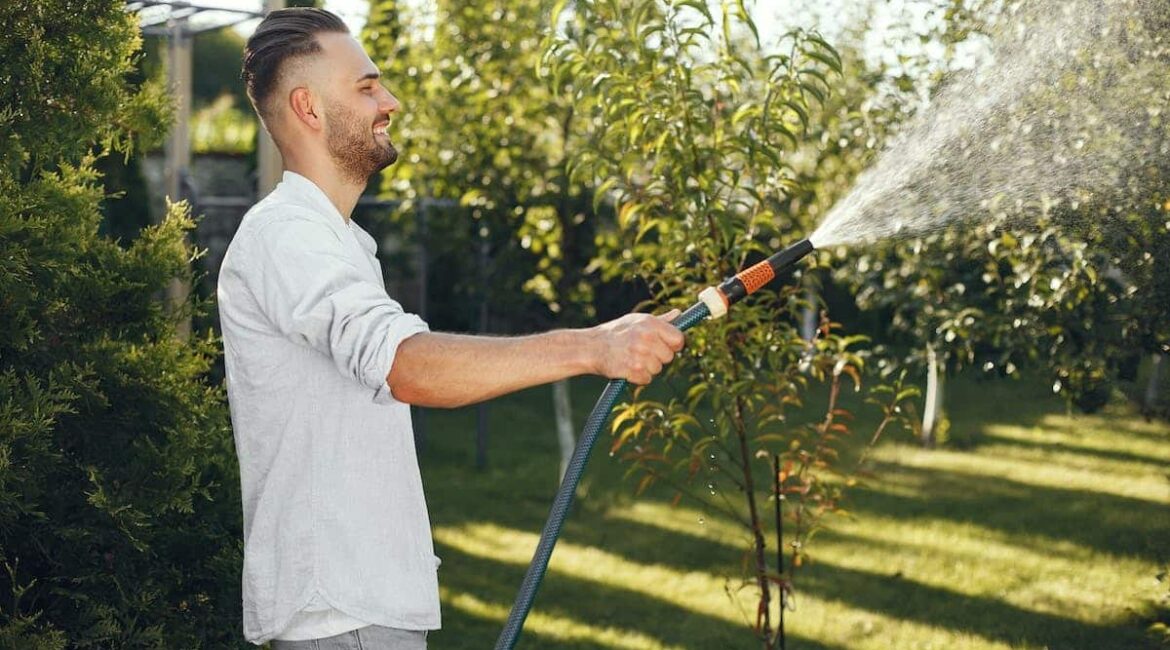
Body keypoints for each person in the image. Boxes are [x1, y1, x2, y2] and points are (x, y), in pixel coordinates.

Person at [217, 8, 685, 649]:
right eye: (366, 86)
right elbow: (407, 365)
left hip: (358, 608)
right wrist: (593, 346)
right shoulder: (287, 236)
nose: (391, 101)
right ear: (308, 107)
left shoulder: (340, 242)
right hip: (343, 616)